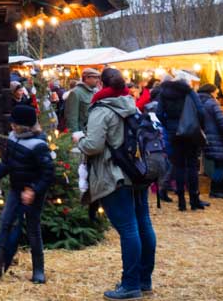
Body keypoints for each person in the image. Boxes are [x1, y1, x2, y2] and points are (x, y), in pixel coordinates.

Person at [77, 67, 156, 300]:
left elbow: (93, 145)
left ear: (102, 84)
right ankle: (144, 281)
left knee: (129, 230)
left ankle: (130, 285)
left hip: (115, 176)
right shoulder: (129, 103)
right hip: (137, 173)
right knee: (143, 225)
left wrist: (79, 140)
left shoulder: (102, 110)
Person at [0, 104, 54, 284]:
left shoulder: (39, 145)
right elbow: (6, 164)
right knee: (5, 223)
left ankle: (38, 270)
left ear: (25, 125)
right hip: (16, 189)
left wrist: (34, 190)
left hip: (32, 193)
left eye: (15, 123)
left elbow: (48, 173)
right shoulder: (13, 138)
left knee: (33, 229)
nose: (12, 126)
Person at [152, 73, 207, 211]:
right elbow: (201, 111)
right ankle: (194, 200)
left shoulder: (164, 93)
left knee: (179, 166)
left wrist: (169, 125)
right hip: (190, 131)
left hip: (173, 132)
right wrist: (197, 125)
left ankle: (181, 201)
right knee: (192, 165)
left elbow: (158, 114)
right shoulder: (189, 92)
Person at [197, 83, 223, 198]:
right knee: (222, 164)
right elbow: (221, 121)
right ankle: (215, 190)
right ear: (211, 92)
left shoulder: (199, 103)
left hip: (207, 136)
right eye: (216, 92)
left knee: (220, 163)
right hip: (217, 137)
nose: (217, 94)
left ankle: (222, 189)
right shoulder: (212, 103)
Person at [65, 67, 100, 134]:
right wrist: (76, 135)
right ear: (86, 78)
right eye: (95, 78)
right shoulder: (76, 92)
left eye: (98, 78)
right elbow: (72, 118)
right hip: (84, 132)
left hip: (95, 131)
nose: (98, 80)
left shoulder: (95, 91)